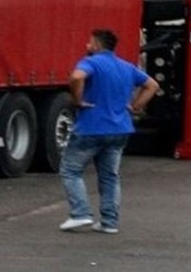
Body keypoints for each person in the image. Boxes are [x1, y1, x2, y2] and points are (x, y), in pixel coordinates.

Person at [60, 29, 159, 234]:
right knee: (109, 176)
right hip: (120, 128)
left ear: (97, 45)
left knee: (71, 170)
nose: (87, 46)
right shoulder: (126, 67)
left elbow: (77, 77)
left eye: (89, 43)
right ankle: (109, 222)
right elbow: (152, 85)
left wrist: (78, 101)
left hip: (91, 127)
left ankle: (80, 213)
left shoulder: (91, 63)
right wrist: (136, 105)